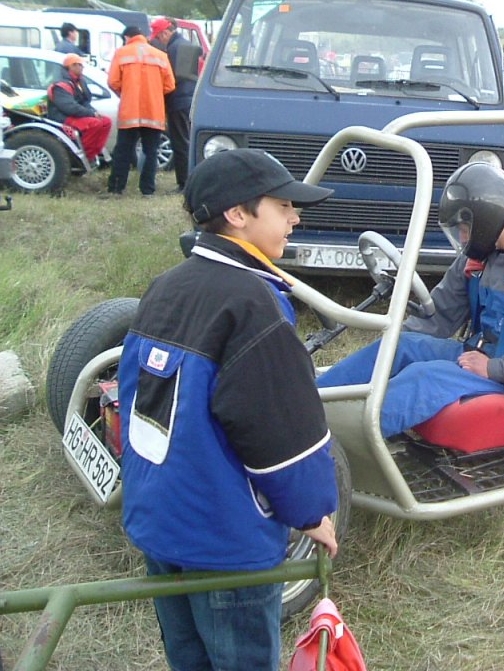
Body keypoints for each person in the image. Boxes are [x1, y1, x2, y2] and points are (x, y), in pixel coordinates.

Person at [117, 148, 340, 671]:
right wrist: (312, 511)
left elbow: (133, 395)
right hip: (222, 535)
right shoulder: (253, 304)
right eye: (283, 205)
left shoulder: (167, 286)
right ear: (238, 214)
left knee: (187, 656)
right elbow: (280, 429)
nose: (295, 217)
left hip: (160, 518)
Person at [317, 162, 504, 437]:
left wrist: (495, 368)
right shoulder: (479, 258)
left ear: (487, 220)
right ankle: (310, 402)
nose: (461, 237)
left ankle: (339, 437)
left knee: (424, 377)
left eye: (465, 228)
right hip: (479, 357)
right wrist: (392, 351)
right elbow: (437, 318)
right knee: (402, 345)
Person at [105, 25, 174, 198]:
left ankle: (116, 188)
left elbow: (113, 82)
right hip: (153, 111)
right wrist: (154, 93)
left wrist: (127, 92)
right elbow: (170, 85)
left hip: (130, 111)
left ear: (127, 37)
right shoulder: (160, 55)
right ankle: (147, 190)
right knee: (151, 151)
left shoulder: (122, 53)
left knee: (123, 150)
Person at [150, 17, 198, 192]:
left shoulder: (173, 48)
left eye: (159, 36)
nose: (159, 40)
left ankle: (184, 183)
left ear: (166, 32)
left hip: (178, 100)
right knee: (185, 140)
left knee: (180, 142)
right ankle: (188, 180)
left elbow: (172, 78)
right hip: (188, 98)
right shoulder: (185, 44)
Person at [46, 54, 112, 160]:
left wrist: (93, 111)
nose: (82, 67)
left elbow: (85, 101)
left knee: (106, 122)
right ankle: (83, 156)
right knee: (94, 124)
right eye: (80, 65)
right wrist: (91, 114)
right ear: (72, 66)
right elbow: (69, 107)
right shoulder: (61, 85)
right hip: (63, 117)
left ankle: (95, 153)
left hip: (74, 114)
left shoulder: (79, 81)